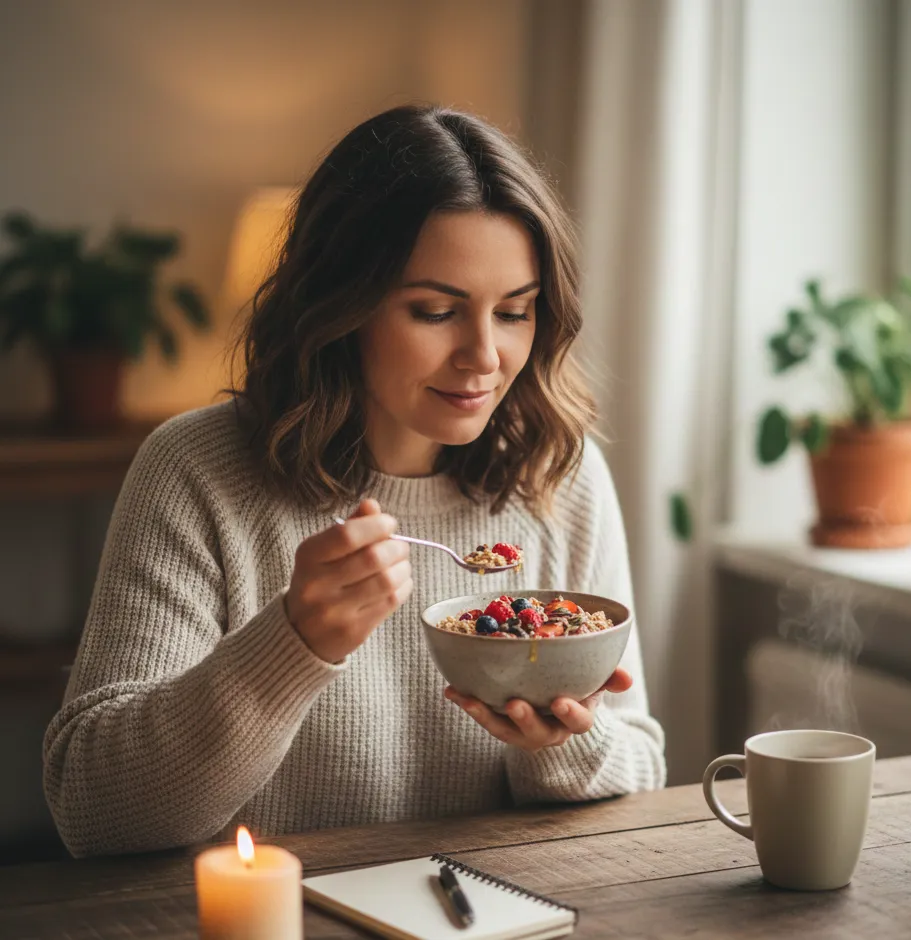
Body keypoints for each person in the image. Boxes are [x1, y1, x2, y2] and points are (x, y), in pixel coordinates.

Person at [43, 104, 666, 858]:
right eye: (435, 311)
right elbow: (94, 811)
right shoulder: (197, 472)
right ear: (343, 304)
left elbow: (641, 768)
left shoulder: (556, 473)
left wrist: (562, 742)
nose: (484, 356)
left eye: (515, 312)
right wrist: (292, 643)